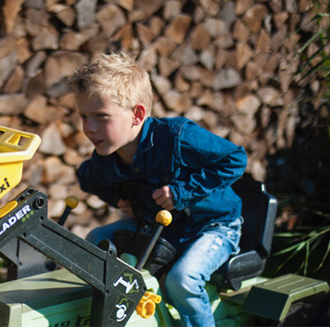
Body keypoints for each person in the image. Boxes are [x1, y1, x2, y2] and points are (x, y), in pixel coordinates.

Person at [68, 52, 247, 327]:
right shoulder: (106, 155)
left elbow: (235, 158)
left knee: (182, 280)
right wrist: (118, 198)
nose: (89, 128)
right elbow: (87, 178)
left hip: (212, 226)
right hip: (156, 224)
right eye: (84, 116)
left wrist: (182, 191)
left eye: (101, 117)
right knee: (93, 241)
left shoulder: (176, 137)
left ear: (137, 114)